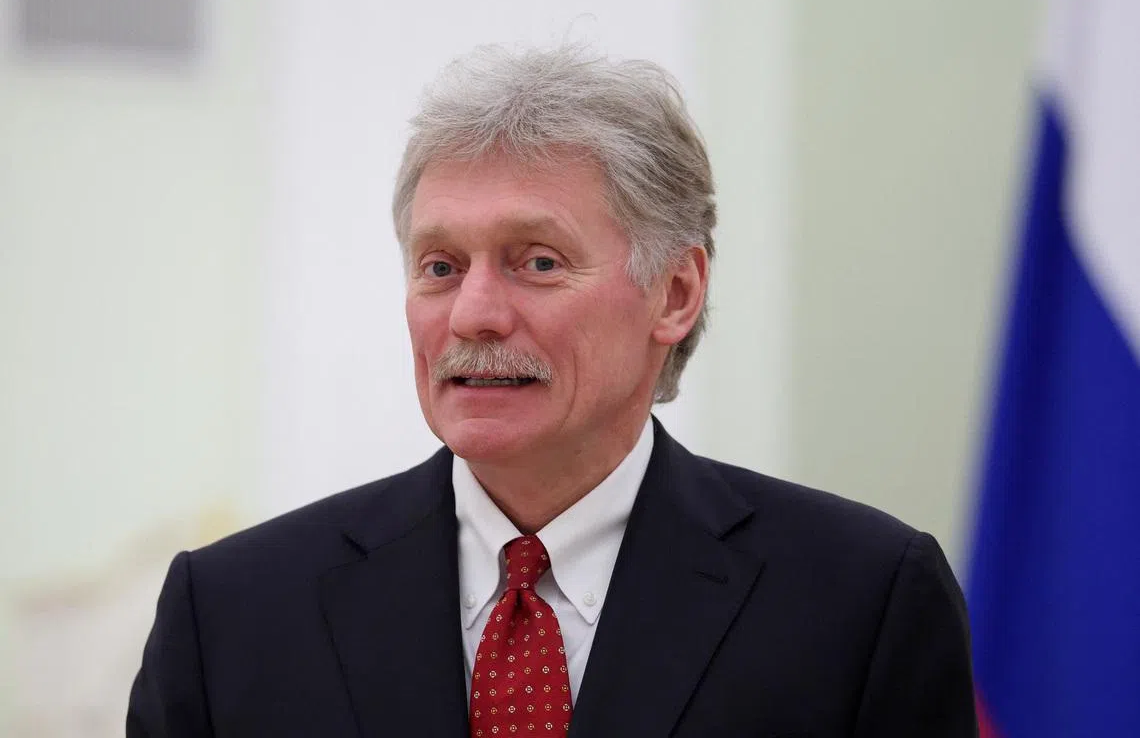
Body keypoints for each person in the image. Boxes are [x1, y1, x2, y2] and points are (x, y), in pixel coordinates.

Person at [128, 45, 977, 737]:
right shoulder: (233, 614)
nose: (475, 313)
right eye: (440, 267)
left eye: (538, 261)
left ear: (675, 294)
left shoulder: (863, 601)